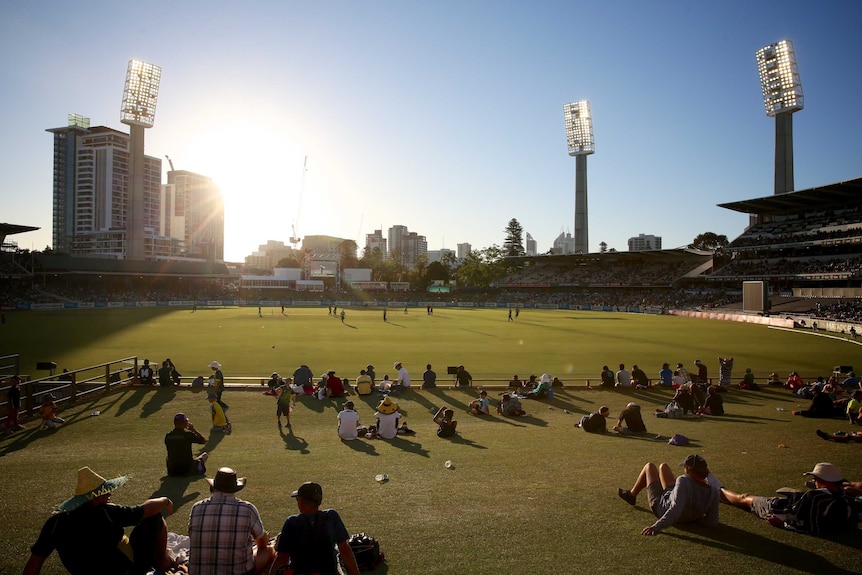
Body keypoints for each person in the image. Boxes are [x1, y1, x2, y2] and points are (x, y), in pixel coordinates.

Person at [23, 467, 175, 575]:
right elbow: (147, 509)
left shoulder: (54, 523)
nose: (109, 493)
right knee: (154, 517)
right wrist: (166, 501)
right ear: (93, 497)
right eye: (104, 492)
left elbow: (35, 561)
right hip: (126, 570)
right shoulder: (107, 512)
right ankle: (162, 561)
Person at [720, 462, 861, 536]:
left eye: (816, 478)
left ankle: (719, 489)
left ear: (824, 480)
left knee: (744, 498)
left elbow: (803, 523)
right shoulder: (846, 497)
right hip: (799, 503)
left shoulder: (814, 497)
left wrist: (781, 524)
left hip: (778, 508)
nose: (814, 479)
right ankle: (720, 492)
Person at [189, 467, 274, 575]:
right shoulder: (247, 509)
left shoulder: (197, 508)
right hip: (238, 572)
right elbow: (262, 543)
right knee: (268, 551)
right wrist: (264, 537)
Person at [616, 454, 723, 535]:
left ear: (689, 469)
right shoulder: (713, 491)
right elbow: (712, 522)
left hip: (661, 506)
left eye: (685, 467)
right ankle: (632, 494)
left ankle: (632, 495)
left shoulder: (684, 480)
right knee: (663, 466)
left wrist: (656, 527)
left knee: (650, 467)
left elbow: (675, 508)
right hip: (682, 505)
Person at [269, 482, 361, 575]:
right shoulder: (331, 516)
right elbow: (344, 550)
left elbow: (282, 558)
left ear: (300, 502)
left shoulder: (292, 522)